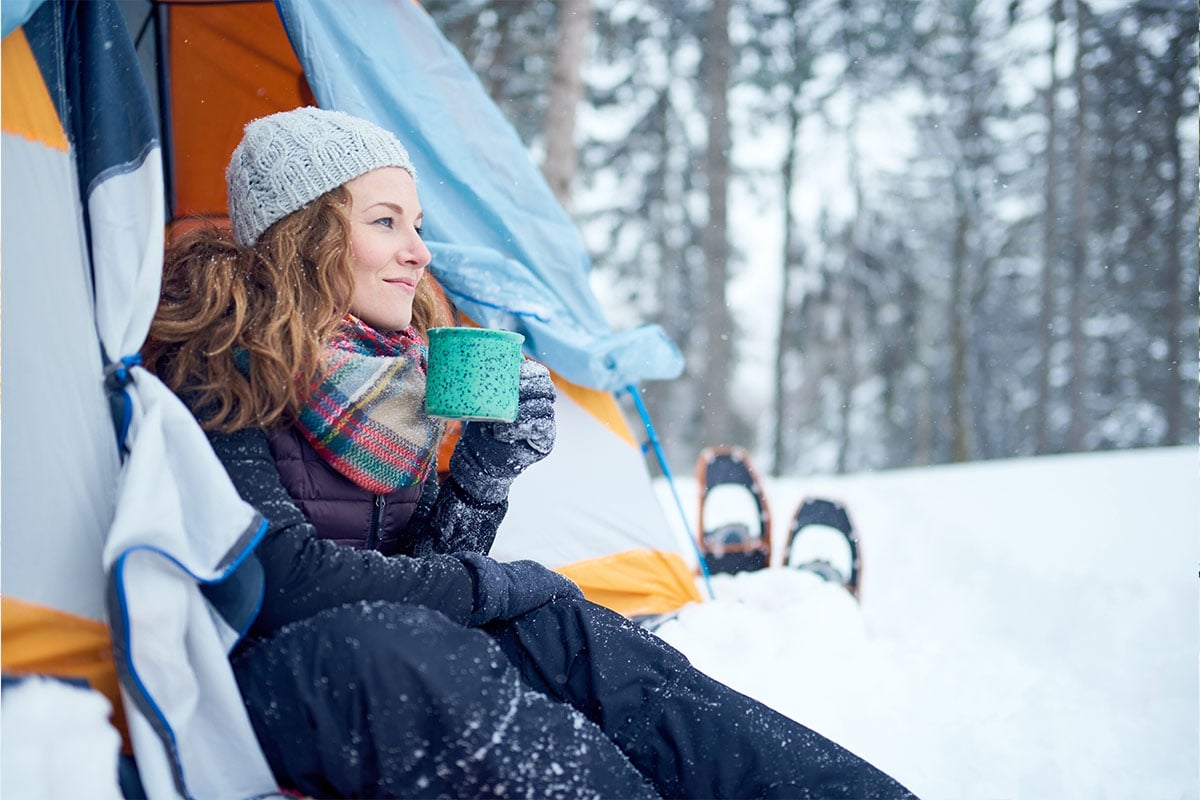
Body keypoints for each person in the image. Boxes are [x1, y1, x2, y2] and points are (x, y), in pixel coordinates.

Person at [145, 106, 917, 799]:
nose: (418, 252)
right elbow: (279, 579)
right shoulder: (215, 360)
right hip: (261, 681)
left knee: (572, 636)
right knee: (416, 643)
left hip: (376, 650)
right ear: (303, 235)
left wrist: (485, 471)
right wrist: (496, 585)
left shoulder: (391, 379)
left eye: (417, 224)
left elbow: (414, 563)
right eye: (386, 222)